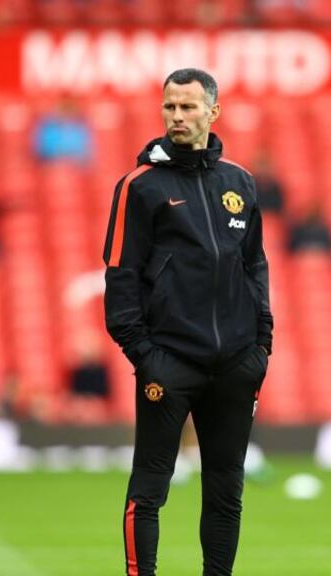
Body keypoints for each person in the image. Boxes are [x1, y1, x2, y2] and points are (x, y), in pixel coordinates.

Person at [102, 68, 273, 576]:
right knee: (148, 490)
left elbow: (255, 265)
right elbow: (120, 275)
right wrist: (146, 356)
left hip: (237, 365)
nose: (178, 116)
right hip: (169, 364)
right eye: (170, 107)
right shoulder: (139, 186)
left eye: (189, 107)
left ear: (212, 112)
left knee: (226, 492)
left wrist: (261, 346)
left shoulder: (239, 182)